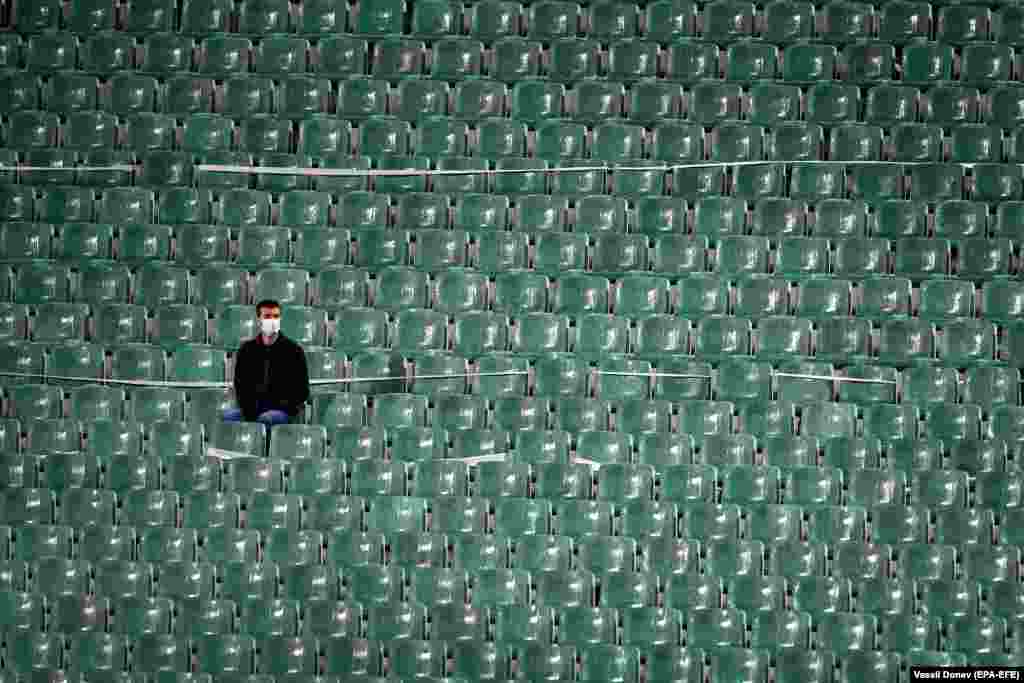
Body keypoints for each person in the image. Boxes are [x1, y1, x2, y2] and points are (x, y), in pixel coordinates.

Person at [223, 299, 310, 426]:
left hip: (282, 411)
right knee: (228, 417)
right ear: (259, 320)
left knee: (267, 419)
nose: (272, 320)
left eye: (276, 316)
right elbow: (240, 385)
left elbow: (302, 390)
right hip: (252, 410)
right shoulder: (246, 350)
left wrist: (284, 407)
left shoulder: (294, 350)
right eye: (267, 316)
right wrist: (251, 411)